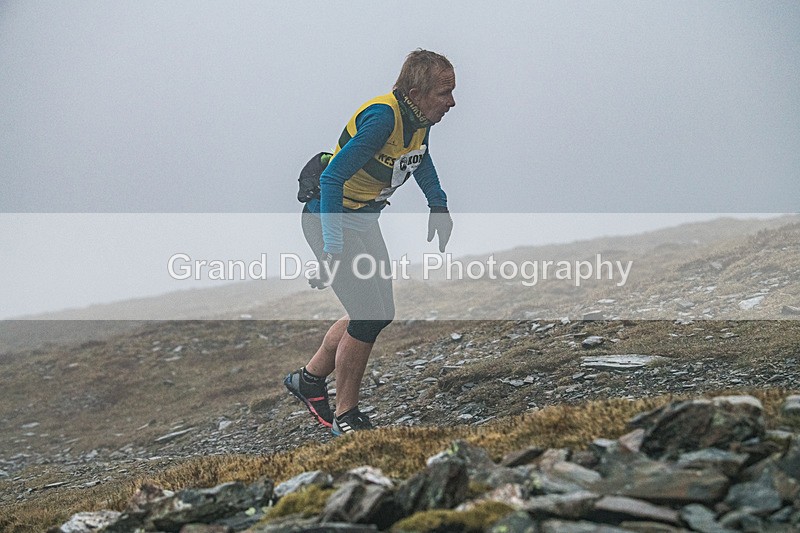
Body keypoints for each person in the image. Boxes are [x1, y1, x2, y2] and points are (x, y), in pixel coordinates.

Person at [285, 49, 456, 436]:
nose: (452, 102)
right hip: (330, 221)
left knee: (380, 311)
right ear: (415, 91)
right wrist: (332, 248)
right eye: (444, 93)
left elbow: (419, 157)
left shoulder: (418, 119)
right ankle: (346, 417)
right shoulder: (383, 119)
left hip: (362, 222)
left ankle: (309, 379)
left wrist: (438, 205)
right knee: (366, 315)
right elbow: (331, 179)